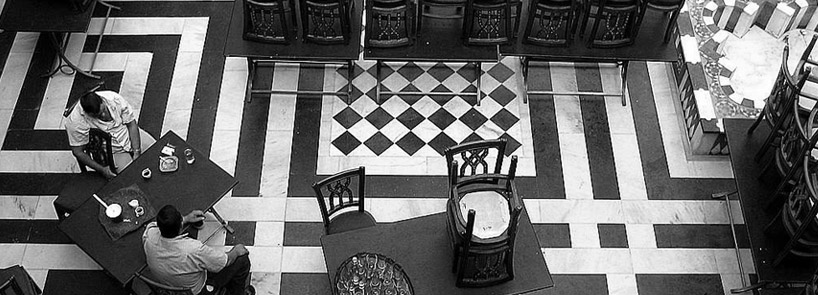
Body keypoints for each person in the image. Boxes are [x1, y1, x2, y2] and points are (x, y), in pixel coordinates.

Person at [143, 205, 254, 295]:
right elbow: (225, 261)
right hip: (200, 291)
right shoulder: (192, 249)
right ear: (180, 226)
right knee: (242, 259)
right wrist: (236, 250)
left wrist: (186, 219)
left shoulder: (149, 235)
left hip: (172, 288)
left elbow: (153, 226)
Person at [64, 90, 156, 179]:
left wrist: (137, 151)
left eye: (104, 109)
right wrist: (102, 169)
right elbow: (78, 152)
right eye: (99, 115)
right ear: (88, 114)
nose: (103, 115)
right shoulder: (76, 123)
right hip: (112, 151)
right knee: (131, 177)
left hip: (128, 134)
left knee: (157, 151)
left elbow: (131, 124)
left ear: (102, 100)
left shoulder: (114, 99)